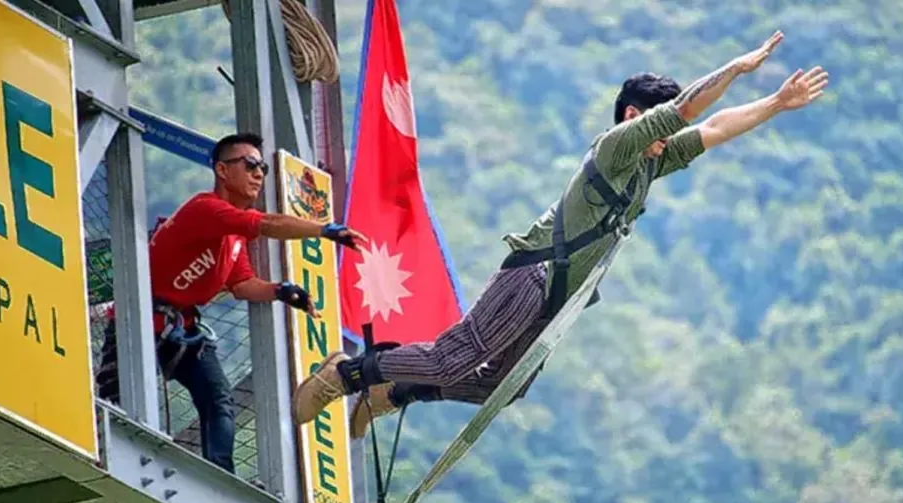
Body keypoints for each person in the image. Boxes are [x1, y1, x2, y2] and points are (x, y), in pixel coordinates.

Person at [292, 31, 830, 438]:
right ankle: (345, 374)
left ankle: (391, 392)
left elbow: (712, 128)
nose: (670, 138)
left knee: (501, 387)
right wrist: (736, 68)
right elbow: (689, 111)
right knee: (453, 356)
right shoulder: (618, 148)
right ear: (635, 117)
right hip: (537, 272)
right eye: (661, 127)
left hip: (559, 300)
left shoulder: (651, 166)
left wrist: (776, 104)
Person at [95, 132, 367, 474]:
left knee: (218, 399)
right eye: (250, 164)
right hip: (137, 323)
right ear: (222, 171)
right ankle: (119, 462)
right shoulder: (205, 209)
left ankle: (219, 474)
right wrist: (325, 230)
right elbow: (267, 224)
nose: (258, 174)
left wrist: (281, 291)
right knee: (120, 406)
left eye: (263, 168)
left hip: (182, 329)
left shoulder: (235, 236)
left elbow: (242, 284)